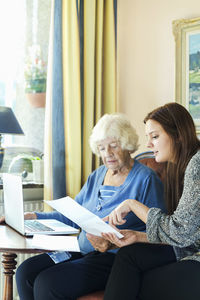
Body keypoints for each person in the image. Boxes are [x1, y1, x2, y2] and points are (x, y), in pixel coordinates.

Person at [0, 113, 165, 300]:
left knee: (48, 283)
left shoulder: (146, 179)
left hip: (112, 257)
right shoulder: (97, 176)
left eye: (113, 146)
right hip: (80, 250)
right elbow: (71, 215)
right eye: (102, 148)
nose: (107, 153)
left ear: (127, 145)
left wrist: (120, 237)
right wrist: (33, 216)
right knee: (25, 272)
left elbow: (157, 230)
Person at [102, 103, 200, 300]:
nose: (149, 144)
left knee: (144, 282)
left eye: (155, 136)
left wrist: (132, 204)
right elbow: (187, 234)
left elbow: (180, 231)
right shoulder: (178, 167)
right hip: (190, 248)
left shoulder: (197, 164)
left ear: (178, 136)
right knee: (129, 255)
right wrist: (138, 236)